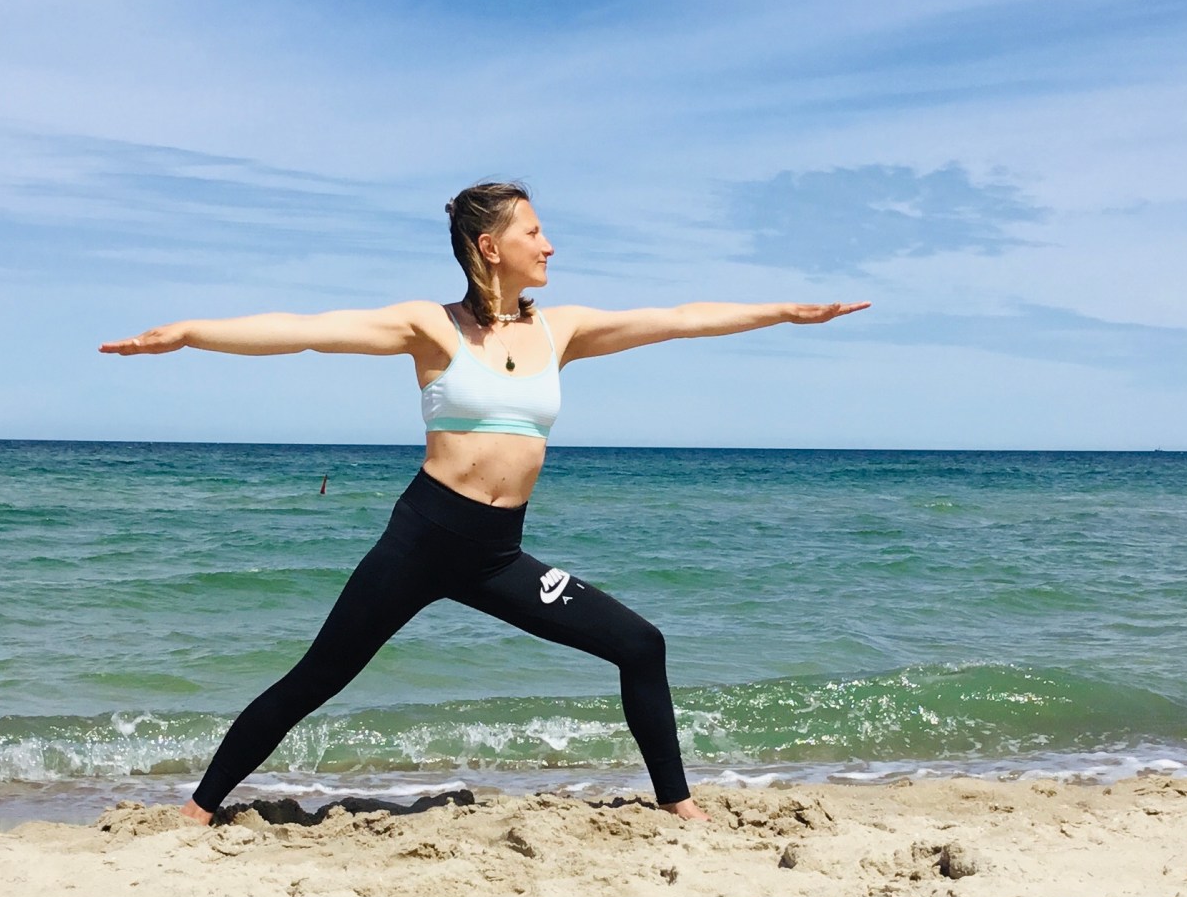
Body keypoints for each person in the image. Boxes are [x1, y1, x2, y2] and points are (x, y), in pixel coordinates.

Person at [100, 182, 869, 824]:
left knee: (641, 644)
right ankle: (199, 810)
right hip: (422, 539)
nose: (551, 245)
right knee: (318, 677)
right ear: (490, 246)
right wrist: (189, 333)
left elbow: (677, 318)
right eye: (535, 231)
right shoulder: (431, 326)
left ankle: (679, 808)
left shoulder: (561, 330)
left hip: (498, 554)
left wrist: (785, 312)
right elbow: (304, 331)